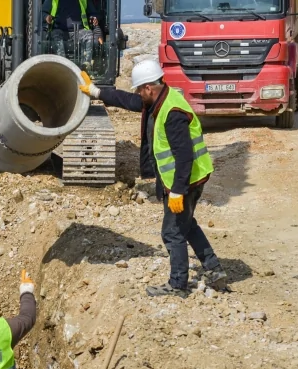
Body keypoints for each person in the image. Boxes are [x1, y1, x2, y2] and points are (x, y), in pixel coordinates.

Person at [79, 60, 228, 297]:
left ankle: (178, 284)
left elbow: (185, 155)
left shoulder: (172, 113)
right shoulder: (159, 100)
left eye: (140, 89)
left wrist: (178, 190)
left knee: (172, 232)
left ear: (149, 87)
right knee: (186, 226)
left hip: (185, 181)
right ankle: (214, 270)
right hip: (187, 179)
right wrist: (97, 92)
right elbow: (127, 101)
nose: (138, 94)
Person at [42, 0, 98, 68]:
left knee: (89, 35)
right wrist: (47, 17)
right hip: (59, 30)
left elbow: (93, 13)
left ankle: (86, 66)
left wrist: (93, 18)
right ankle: (62, 66)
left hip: (79, 31)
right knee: (55, 36)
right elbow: (43, 13)